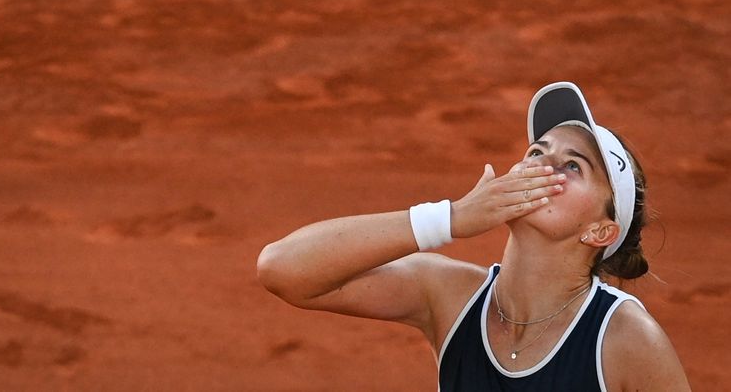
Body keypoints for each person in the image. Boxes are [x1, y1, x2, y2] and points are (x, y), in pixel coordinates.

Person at [257, 82, 690, 391]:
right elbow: (283, 269)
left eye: (572, 166)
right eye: (537, 152)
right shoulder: (448, 296)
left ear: (600, 230)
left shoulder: (624, 338)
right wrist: (448, 219)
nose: (541, 167)